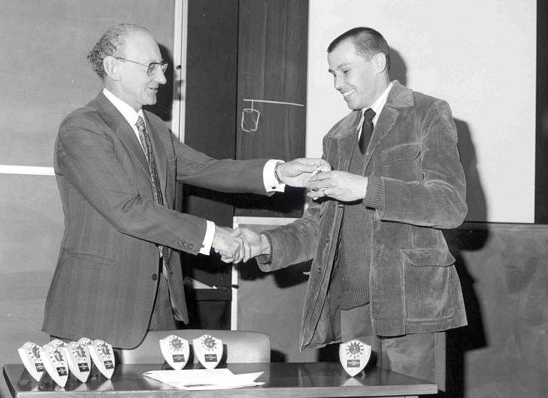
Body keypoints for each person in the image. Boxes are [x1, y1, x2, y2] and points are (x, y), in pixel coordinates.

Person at [42, 23, 327, 350]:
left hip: (158, 310)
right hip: (97, 309)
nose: (162, 80)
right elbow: (128, 211)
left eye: (163, 69)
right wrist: (213, 235)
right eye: (151, 68)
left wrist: (279, 173)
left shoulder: (154, 130)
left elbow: (207, 168)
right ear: (113, 67)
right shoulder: (83, 128)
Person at [235, 27, 468, 388]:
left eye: (344, 70)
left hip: (414, 305)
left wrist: (364, 188)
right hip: (352, 307)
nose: (337, 83)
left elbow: (450, 205)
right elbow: (317, 226)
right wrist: (266, 244)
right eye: (332, 74)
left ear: (378, 62)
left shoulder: (427, 112)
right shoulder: (337, 135)